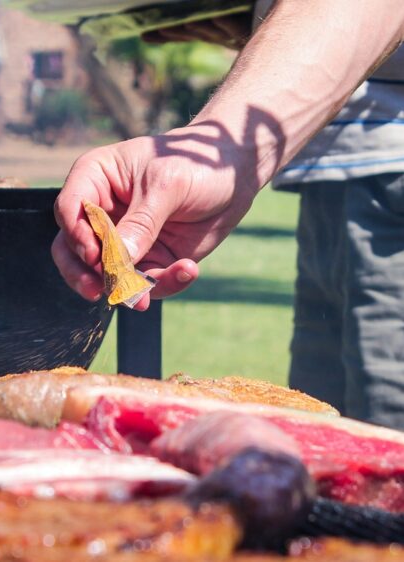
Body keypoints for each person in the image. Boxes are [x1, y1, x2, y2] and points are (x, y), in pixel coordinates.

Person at [53, 0, 404, 427]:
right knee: (323, 424)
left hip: (389, 173)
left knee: (385, 422)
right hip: (328, 171)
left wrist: (219, 149)